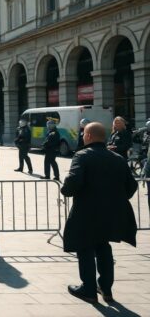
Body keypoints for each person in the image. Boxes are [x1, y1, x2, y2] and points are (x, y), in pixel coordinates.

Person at [61, 122, 138, 304]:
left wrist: (66, 189)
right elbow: (132, 186)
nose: (83, 137)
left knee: (85, 247)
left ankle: (88, 289)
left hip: (87, 212)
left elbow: (73, 182)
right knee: (103, 246)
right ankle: (105, 288)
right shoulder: (117, 158)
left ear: (88, 136)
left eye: (84, 134)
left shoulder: (82, 155)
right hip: (111, 213)